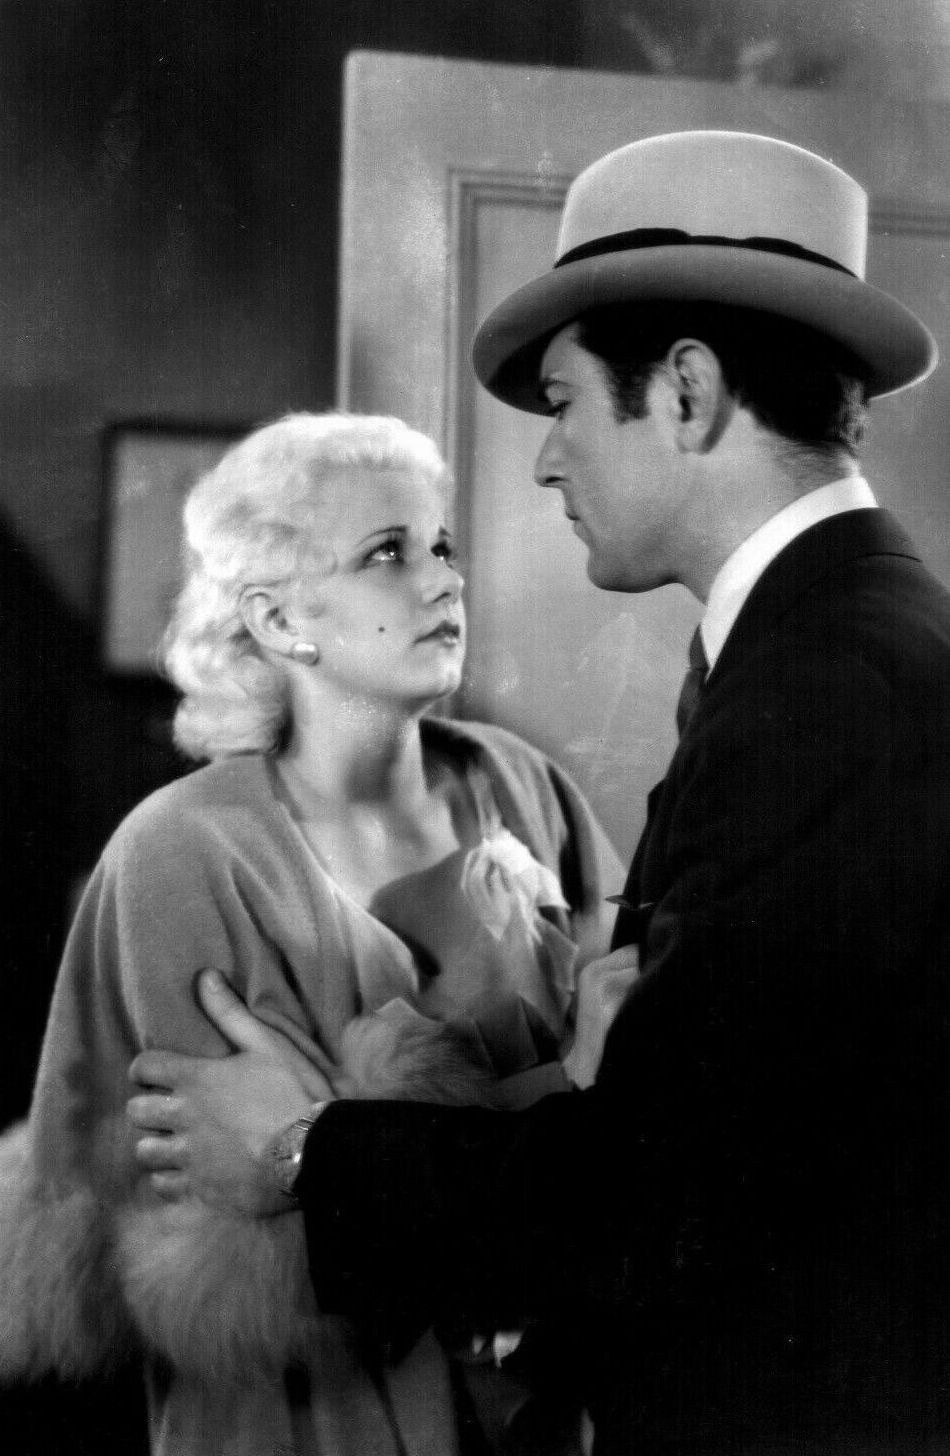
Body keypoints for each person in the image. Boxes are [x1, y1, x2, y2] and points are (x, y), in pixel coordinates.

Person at [127, 132, 950, 1455]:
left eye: (563, 404)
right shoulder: (840, 644)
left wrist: (301, 1154)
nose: (544, 461)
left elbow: (658, 1207)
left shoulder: (825, 687)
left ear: (685, 392)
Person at [0, 411, 627, 1456]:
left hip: (545, 1407)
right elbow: (218, 1250)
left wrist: (327, 1136)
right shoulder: (183, 852)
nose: (443, 580)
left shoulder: (520, 783)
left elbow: (641, 1091)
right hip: (307, 1417)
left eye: (440, 546)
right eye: (388, 553)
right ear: (279, 616)